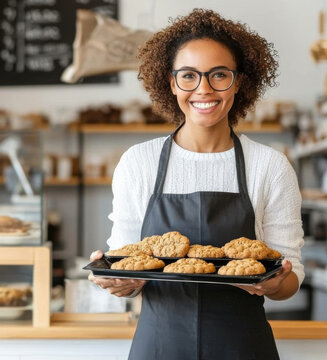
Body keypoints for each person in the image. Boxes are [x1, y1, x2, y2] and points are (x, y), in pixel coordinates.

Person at [88, 9, 304, 360]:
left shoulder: (270, 166)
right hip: (159, 346)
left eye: (219, 74)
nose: (203, 89)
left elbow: (291, 276)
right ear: (171, 82)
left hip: (242, 348)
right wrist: (118, 282)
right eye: (188, 75)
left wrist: (275, 284)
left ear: (238, 82)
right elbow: (126, 261)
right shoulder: (138, 163)